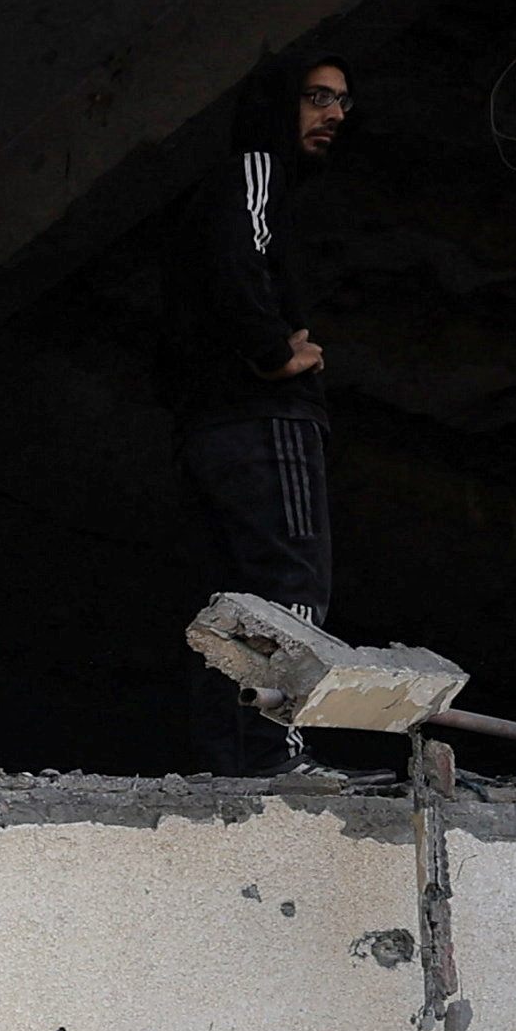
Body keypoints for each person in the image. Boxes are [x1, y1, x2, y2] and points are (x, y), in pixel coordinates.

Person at [169, 52, 355, 768]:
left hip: (211, 427)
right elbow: (237, 257)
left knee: (229, 604)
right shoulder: (257, 169)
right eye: (317, 97)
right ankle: (280, 753)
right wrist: (273, 352)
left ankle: (235, 764)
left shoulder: (227, 190)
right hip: (262, 419)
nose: (334, 114)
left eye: (341, 102)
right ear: (277, 104)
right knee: (291, 584)